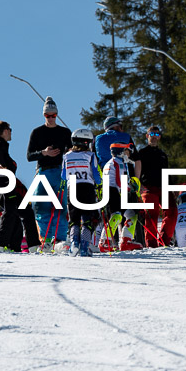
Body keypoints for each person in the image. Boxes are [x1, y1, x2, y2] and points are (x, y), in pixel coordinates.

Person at [26, 97, 72, 246]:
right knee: (41, 207)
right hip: (43, 172)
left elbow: (73, 150)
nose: (51, 119)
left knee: (61, 206)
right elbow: (29, 156)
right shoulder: (37, 132)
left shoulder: (65, 132)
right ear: (44, 115)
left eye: (53, 115)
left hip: (60, 172)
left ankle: (60, 240)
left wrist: (68, 151)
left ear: (57, 115)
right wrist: (44, 153)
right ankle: (45, 240)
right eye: (48, 116)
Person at [0, 121, 41, 253]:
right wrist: (6, 166)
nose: (12, 132)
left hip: (7, 183)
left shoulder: (2, 145)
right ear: (5, 131)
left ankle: (34, 245)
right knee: (10, 210)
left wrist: (9, 166)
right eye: (10, 129)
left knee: (27, 211)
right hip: (4, 183)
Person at [135, 126, 176, 247]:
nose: (154, 137)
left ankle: (164, 241)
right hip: (148, 187)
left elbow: (166, 172)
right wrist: (139, 184)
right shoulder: (141, 153)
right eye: (152, 134)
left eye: (157, 134)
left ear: (159, 137)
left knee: (172, 212)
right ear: (147, 136)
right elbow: (136, 170)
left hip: (163, 187)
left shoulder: (163, 154)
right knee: (151, 215)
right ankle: (151, 243)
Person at [61, 129, 100, 257]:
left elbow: (62, 175)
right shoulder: (91, 155)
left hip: (72, 189)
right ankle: (84, 246)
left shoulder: (66, 156)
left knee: (74, 218)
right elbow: (96, 175)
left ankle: (74, 244)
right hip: (87, 188)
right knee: (87, 218)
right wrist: (100, 184)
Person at [101, 142, 143, 251]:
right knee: (117, 215)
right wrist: (131, 187)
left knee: (131, 213)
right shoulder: (118, 163)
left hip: (112, 190)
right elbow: (120, 182)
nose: (129, 154)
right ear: (120, 152)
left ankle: (126, 240)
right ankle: (105, 241)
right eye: (126, 151)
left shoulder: (114, 162)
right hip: (113, 191)